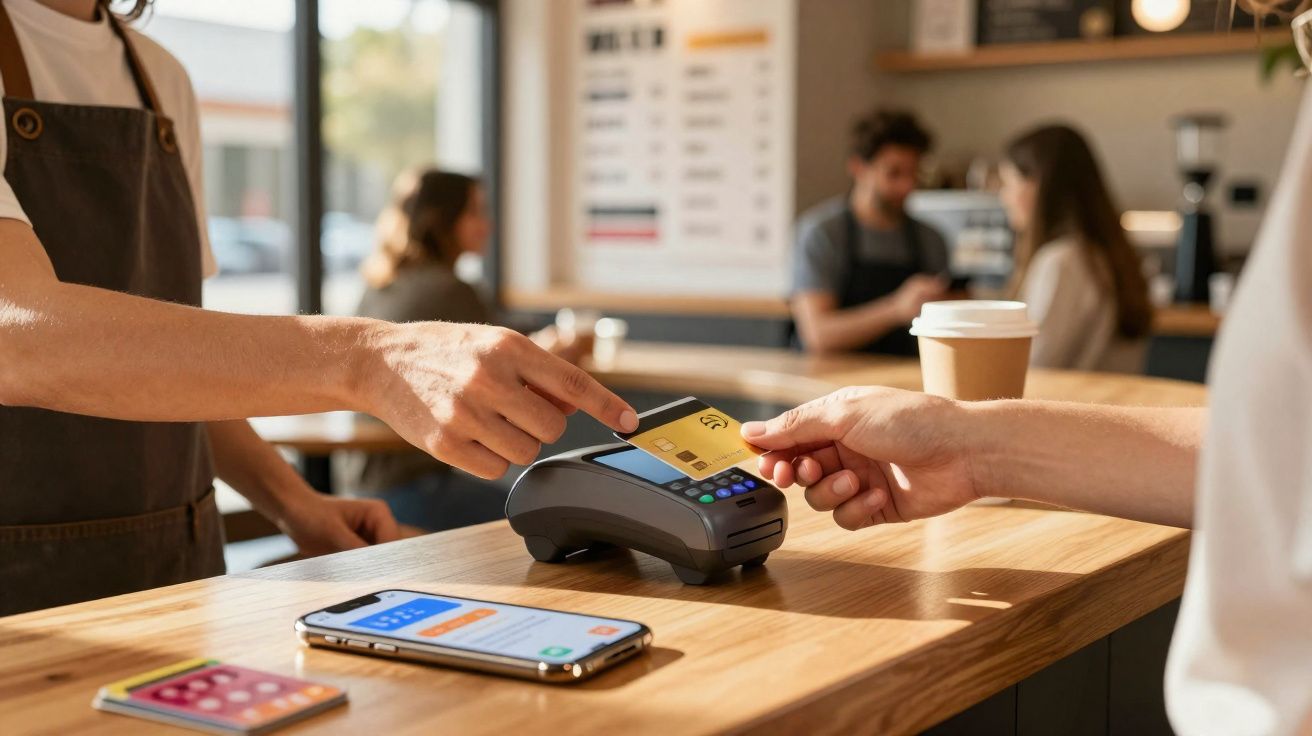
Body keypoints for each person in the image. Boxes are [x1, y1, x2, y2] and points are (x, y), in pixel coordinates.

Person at [0, 0, 637, 617]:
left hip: (178, 565)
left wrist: (294, 503)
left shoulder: (161, 79)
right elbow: (17, 339)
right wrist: (369, 359)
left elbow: (169, 370)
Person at [741, 68, 1312, 734]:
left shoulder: (1035, 258)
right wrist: (969, 447)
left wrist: (970, 438)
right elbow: (1270, 457)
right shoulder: (826, 234)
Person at [350, 169, 584, 530]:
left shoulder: (381, 285)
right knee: (552, 515)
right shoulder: (450, 290)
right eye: (475, 212)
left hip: (365, 486)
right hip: (414, 490)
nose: (487, 225)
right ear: (442, 219)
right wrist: (556, 352)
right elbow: (508, 365)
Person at [791, 108, 950, 355]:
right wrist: (896, 309)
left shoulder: (930, 239)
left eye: (914, 173)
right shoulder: (823, 234)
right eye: (894, 173)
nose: (907, 186)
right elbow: (818, 335)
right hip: (835, 376)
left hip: (905, 373)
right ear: (858, 168)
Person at [998, 124, 1154, 372]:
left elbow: (1033, 366)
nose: (1003, 197)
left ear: (1036, 184)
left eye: (1008, 183)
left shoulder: (1061, 262)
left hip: (1066, 397)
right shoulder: (1108, 255)